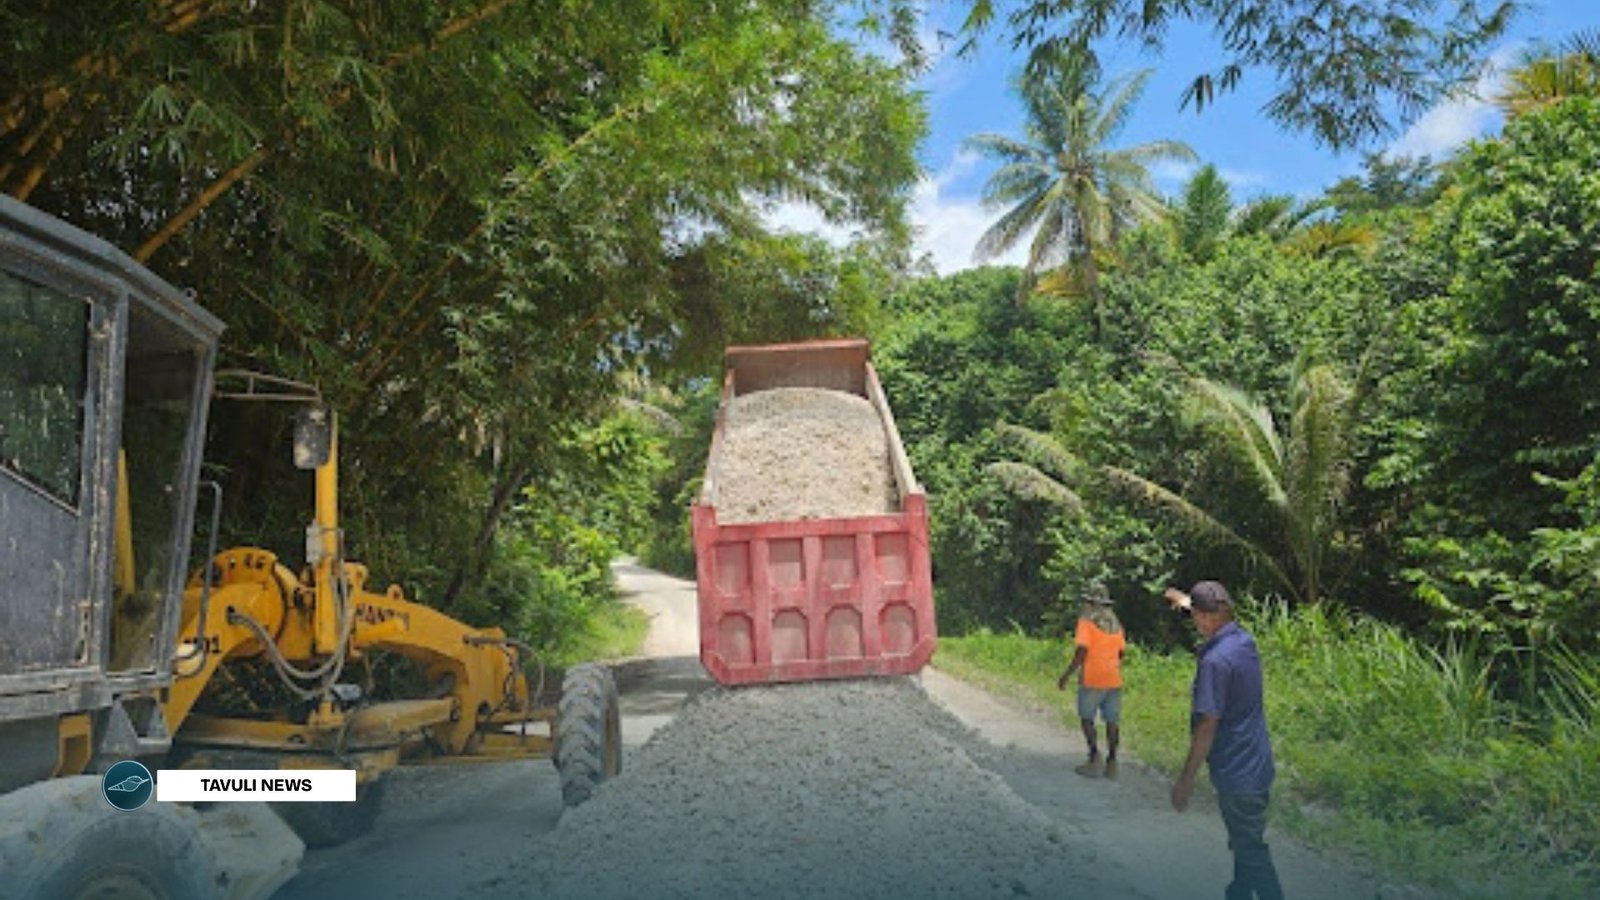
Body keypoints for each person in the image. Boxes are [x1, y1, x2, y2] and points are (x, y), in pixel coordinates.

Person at [1165, 580, 1284, 900]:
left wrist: (1185, 781)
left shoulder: (1215, 662)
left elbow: (1207, 724)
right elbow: (1206, 607)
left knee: (1250, 851)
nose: (1195, 623)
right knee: (1244, 843)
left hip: (1236, 771)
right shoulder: (1244, 642)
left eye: (1195, 616)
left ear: (1204, 618)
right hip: (1257, 763)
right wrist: (1184, 601)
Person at [1057, 582, 1126, 778]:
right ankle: (1112, 763)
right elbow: (1121, 652)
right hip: (1113, 678)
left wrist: (1067, 674)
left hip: (1092, 677)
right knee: (1112, 721)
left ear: (1089, 601)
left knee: (1087, 718)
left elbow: (1082, 651)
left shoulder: (1086, 621)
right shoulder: (1115, 623)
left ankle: (1094, 756)